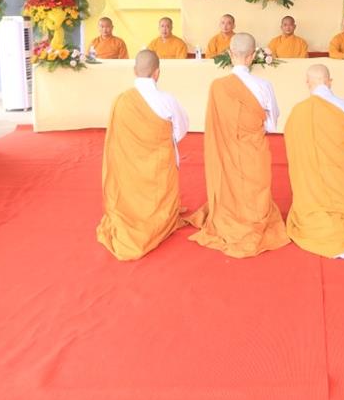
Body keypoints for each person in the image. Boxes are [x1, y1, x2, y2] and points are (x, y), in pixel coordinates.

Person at [186, 33, 289, 258]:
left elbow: (214, 124)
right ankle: (254, 218)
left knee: (230, 182)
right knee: (255, 186)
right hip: (254, 150)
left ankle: (229, 216)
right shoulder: (264, 85)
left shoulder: (218, 87)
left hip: (226, 150)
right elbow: (271, 124)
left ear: (230, 54)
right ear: (252, 57)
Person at [97, 50, 190, 260]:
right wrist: (164, 142)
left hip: (129, 166)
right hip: (159, 164)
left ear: (134, 71)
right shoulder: (167, 100)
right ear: (157, 73)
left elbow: (115, 139)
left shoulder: (121, 100)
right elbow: (182, 128)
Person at [286, 64, 344, 260]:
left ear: (307, 83)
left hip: (310, 176)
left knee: (314, 189)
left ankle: (317, 225)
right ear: (330, 82)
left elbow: (293, 144)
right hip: (339, 171)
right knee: (340, 194)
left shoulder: (298, 111)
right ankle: (340, 225)